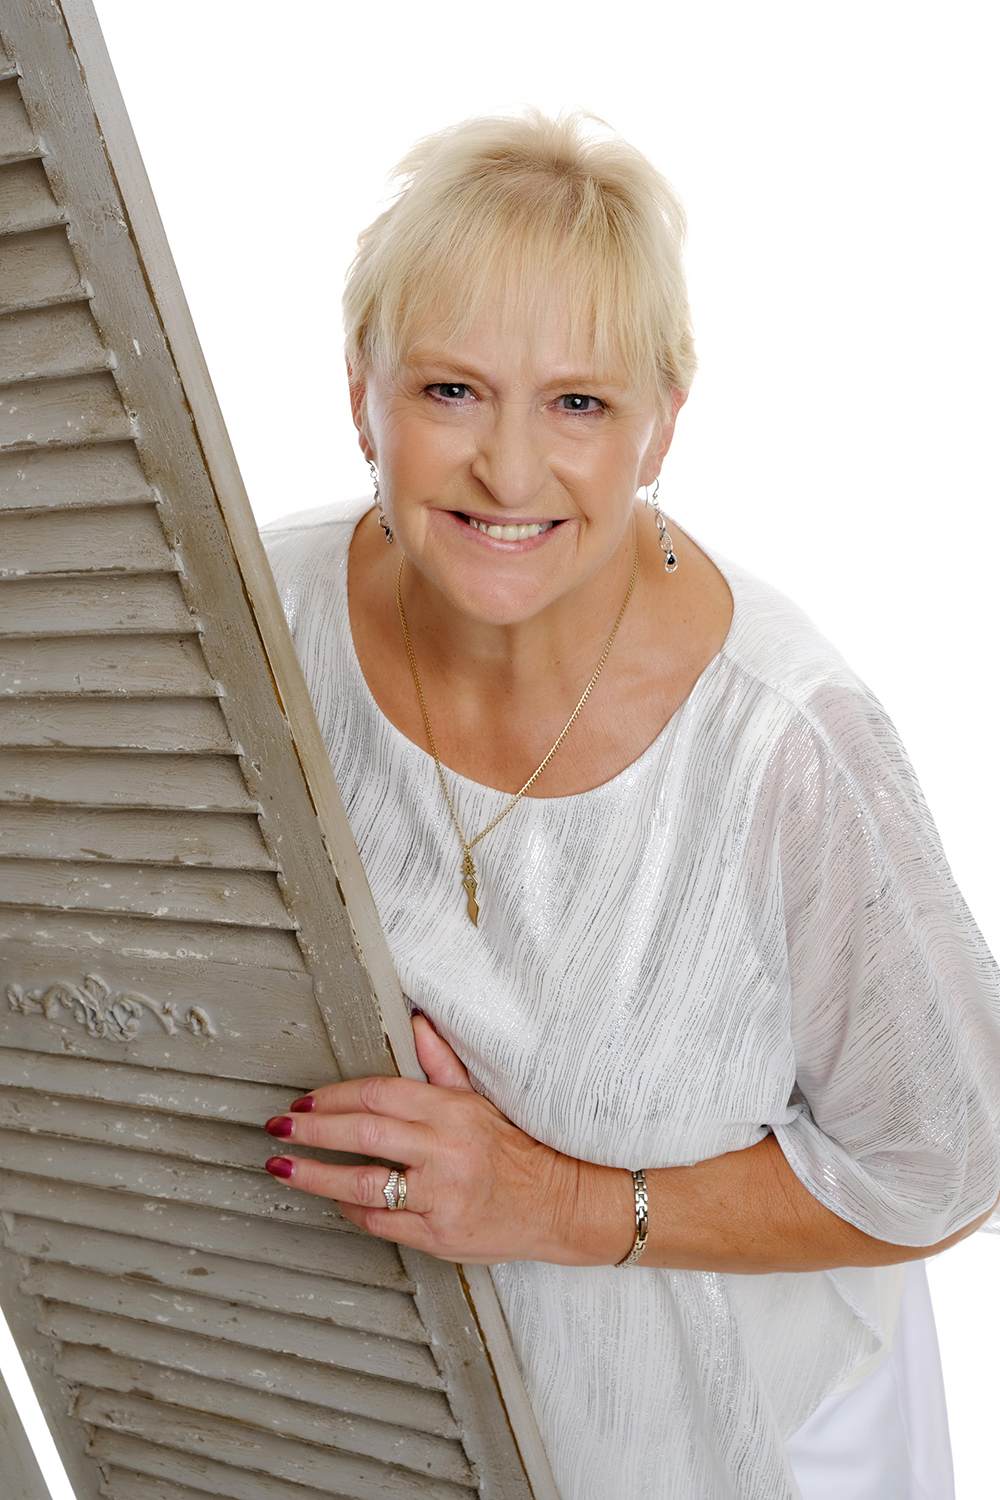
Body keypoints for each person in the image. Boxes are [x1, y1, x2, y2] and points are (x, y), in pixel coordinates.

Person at [259, 111, 1000, 1499]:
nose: (510, 470)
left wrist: (554, 1202)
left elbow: (950, 1165)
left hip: (727, 1453)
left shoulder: (787, 743)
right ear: (360, 395)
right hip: (376, 1428)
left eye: (579, 405)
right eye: (452, 391)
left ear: (663, 425)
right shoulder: (257, 621)